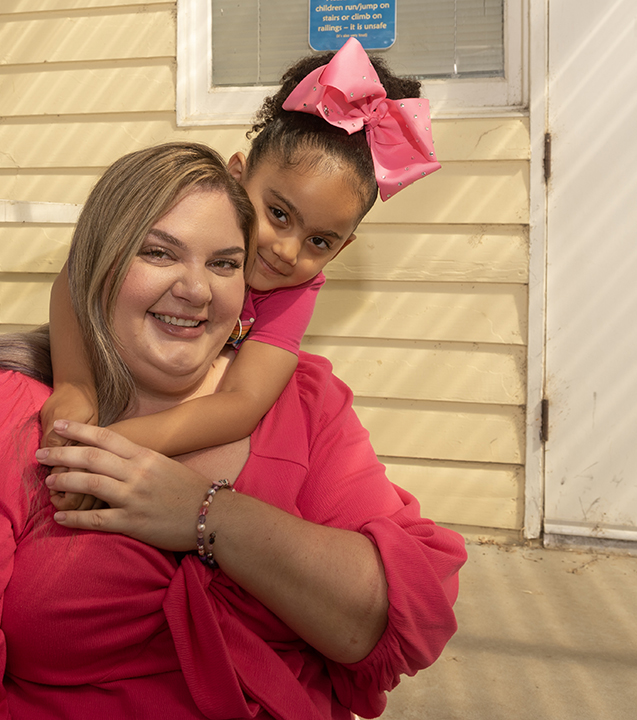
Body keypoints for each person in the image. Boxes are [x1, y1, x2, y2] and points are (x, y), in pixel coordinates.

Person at [0, 141, 465, 719]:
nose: (194, 289)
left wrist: (206, 514)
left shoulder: (305, 402)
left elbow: (400, 615)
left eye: (224, 263)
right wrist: (76, 394)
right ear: (103, 258)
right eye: (158, 252)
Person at [42, 38, 440, 511]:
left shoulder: (296, 291)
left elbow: (241, 404)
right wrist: (74, 383)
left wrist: (110, 446)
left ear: (341, 249)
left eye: (319, 242)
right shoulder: (190, 206)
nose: (288, 251)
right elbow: (78, 273)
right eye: (278, 213)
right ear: (236, 177)